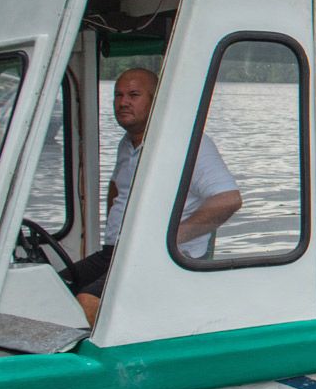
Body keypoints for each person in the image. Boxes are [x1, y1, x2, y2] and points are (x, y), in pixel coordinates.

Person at [67, 68, 242, 325]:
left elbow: (228, 199)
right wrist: (114, 229)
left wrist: (170, 237)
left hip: (162, 258)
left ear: (155, 100)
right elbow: (117, 189)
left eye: (134, 95)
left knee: (88, 301)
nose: (123, 102)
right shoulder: (127, 144)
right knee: (50, 286)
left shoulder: (187, 144)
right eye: (118, 95)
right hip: (116, 251)